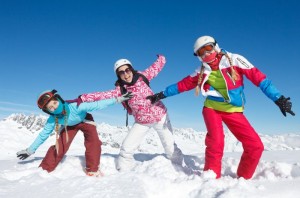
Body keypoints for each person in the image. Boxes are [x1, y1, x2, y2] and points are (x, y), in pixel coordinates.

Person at [146, 36, 295, 179]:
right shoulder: (201, 71)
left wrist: (278, 98)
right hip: (212, 109)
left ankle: (243, 178)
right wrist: (161, 94)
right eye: (201, 52)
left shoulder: (235, 60)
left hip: (233, 111)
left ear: (215, 46)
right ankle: (211, 178)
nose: (206, 54)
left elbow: (259, 78)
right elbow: (182, 85)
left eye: (208, 48)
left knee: (255, 146)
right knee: (216, 143)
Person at [68, 55, 183, 171]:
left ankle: (179, 168)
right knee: (126, 149)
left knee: (170, 148)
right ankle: (124, 173)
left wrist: (161, 58)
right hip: (142, 122)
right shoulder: (120, 90)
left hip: (160, 118)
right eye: (121, 73)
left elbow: (156, 67)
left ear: (131, 70)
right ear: (119, 76)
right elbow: (102, 95)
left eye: (127, 70)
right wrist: (83, 98)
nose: (126, 74)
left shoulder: (143, 76)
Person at [16, 89, 132, 176]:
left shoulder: (76, 106)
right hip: (69, 125)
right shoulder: (53, 119)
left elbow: (97, 104)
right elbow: (43, 135)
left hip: (85, 120)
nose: (54, 108)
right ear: (48, 112)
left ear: (60, 100)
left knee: (94, 143)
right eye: (50, 108)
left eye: (54, 103)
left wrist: (117, 100)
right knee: (60, 145)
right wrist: (30, 150)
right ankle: (45, 169)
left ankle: (92, 170)